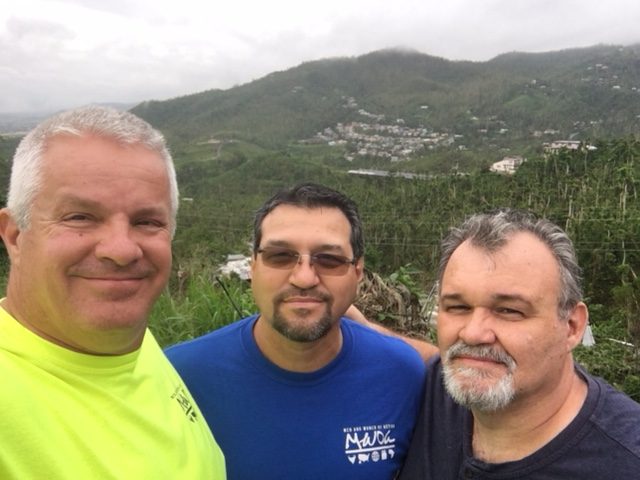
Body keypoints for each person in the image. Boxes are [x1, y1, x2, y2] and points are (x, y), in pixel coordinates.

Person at [0, 106, 226, 479]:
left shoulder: (125, 341)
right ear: (15, 236)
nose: (121, 250)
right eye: (80, 217)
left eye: (147, 221)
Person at [166, 183, 427, 480]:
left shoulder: (402, 375)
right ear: (253, 266)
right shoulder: (179, 378)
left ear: (357, 272)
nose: (304, 278)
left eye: (329, 259)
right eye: (280, 256)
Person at [398, 209, 640, 479]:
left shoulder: (627, 461)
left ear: (572, 327)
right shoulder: (428, 395)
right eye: (458, 307)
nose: (473, 334)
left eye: (509, 311)